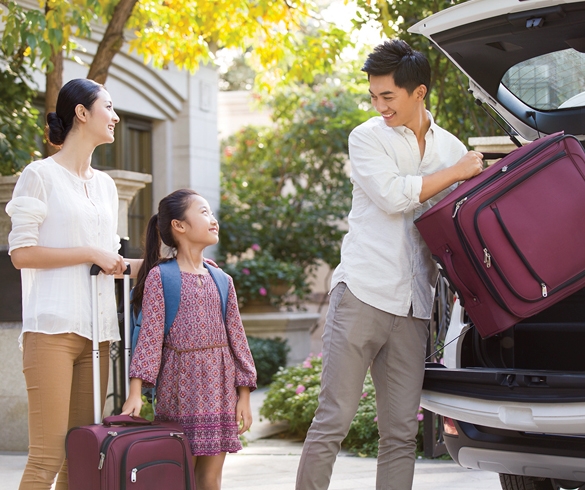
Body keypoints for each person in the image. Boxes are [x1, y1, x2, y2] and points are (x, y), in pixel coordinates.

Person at [295, 39, 484, 490]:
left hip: (414, 307)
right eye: (373, 96)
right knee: (332, 421)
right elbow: (394, 195)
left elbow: (458, 222)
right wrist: (457, 173)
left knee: (400, 433)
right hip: (362, 291)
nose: (379, 106)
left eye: (388, 97)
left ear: (418, 93)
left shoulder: (450, 147)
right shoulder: (366, 137)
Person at [5, 78, 141, 489]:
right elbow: (21, 254)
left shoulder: (105, 186)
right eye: (109, 107)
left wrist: (172, 265)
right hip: (52, 329)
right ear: (82, 113)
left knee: (80, 461)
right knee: (46, 458)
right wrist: (88, 252)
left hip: (98, 334)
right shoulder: (40, 175)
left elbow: (110, 260)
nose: (116, 117)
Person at [121, 188, 257, 490]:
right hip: (180, 389)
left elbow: (238, 340)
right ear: (179, 226)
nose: (214, 220)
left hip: (220, 389)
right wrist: (135, 392)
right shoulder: (161, 276)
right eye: (204, 212)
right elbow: (150, 337)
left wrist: (244, 395)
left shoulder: (222, 279)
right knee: (179, 475)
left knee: (211, 478)